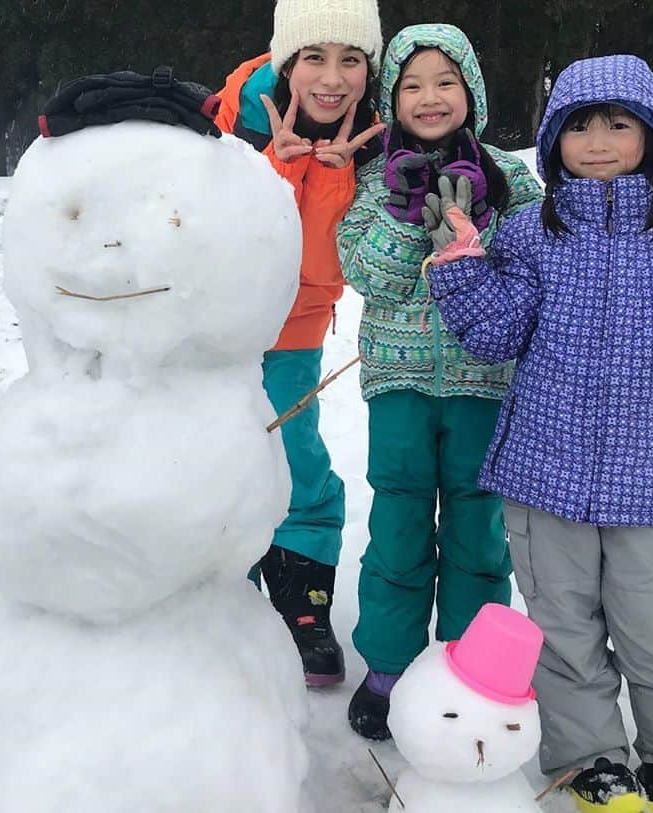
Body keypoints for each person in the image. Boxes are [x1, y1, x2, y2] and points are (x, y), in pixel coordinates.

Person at [423, 54, 653, 813]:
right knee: (562, 631)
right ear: (555, 137)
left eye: (619, 124)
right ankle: (591, 757)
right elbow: (495, 335)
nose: (598, 141)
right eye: (579, 126)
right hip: (543, 472)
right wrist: (461, 261)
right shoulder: (531, 232)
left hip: (649, 474)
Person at [335, 22, 542, 740]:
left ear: (471, 92)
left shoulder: (511, 177)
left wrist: (482, 221)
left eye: (445, 82)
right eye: (412, 85)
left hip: (487, 382)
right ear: (392, 100)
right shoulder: (370, 180)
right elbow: (366, 276)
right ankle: (389, 664)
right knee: (397, 523)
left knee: (479, 530)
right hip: (399, 383)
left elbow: (536, 272)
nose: (429, 97)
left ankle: (467, 661)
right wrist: (399, 215)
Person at [213, 0, 386, 687]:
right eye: (314, 57)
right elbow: (220, 241)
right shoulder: (228, 124)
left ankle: (302, 598)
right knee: (211, 451)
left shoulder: (375, 136)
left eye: (351, 60)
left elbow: (320, 265)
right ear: (286, 62)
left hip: (296, 328)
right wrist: (276, 168)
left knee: (297, 456)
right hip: (217, 327)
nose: (332, 78)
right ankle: (220, 584)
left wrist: (333, 175)